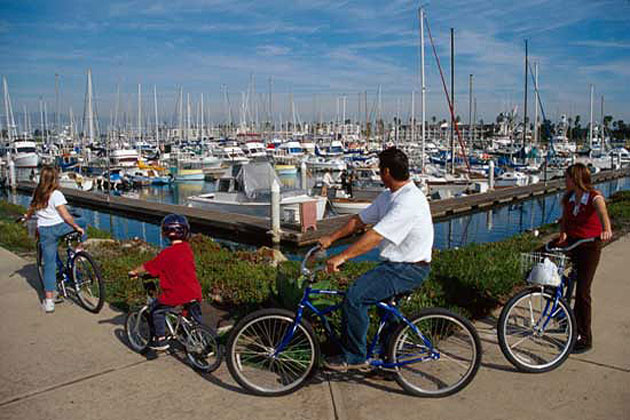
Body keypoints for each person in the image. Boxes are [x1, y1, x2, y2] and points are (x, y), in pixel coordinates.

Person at [318, 147, 434, 371]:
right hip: (397, 264)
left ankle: (354, 356)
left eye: (380, 169)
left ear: (387, 172)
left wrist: (341, 257)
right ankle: (390, 364)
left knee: (354, 297)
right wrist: (331, 239)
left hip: (408, 268)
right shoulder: (389, 196)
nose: (379, 173)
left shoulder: (408, 201)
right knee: (386, 313)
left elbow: (375, 236)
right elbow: (359, 221)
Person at [558, 163, 612, 354]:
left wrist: (606, 229)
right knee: (550, 271)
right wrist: (563, 235)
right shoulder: (569, 198)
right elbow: (564, 220)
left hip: (589, 246)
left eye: (567, 178)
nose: (565, 181)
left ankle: (585, 337)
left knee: (582, 291)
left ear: (576, 179)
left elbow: (602, 212)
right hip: (573, 243)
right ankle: (564, 314)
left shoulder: (594, 197)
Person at [128, 214, 202, 351]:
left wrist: (134, 272)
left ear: (165, 233)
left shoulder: (166, 254)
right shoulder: (187, 249)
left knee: (156, 310)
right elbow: (176, 268)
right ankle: (201, 338)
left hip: (175, 294)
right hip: (194, 291)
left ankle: (161, 340)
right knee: (194, 318)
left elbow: (148, 266)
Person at [23, 166, 86, 313]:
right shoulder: (56, 194)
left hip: (45, 232)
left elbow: (31, 208)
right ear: (55, 179)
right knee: (82, 221)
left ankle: (49, 301)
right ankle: (78, 249)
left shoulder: (37, 193)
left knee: (49, 266)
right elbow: (66, 216)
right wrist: (76, 227)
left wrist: (26, 217)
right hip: (60, 228)